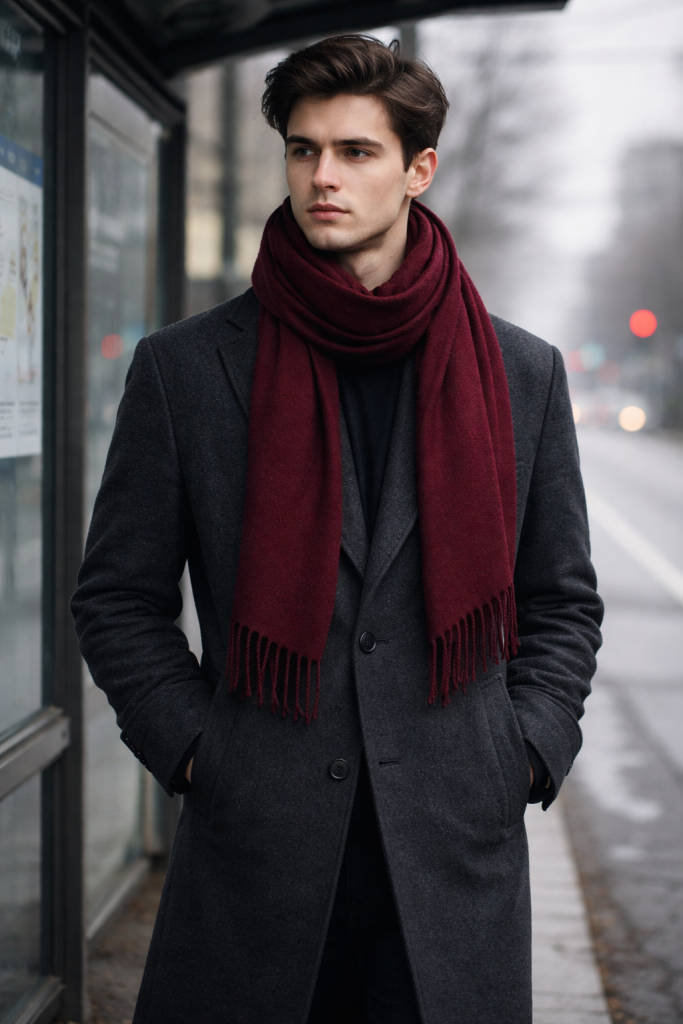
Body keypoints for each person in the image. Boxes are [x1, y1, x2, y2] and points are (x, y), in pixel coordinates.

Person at [72, 34, 603, 1024]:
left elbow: (559, 599)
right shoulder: (187, 369)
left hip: (449, 853)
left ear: (416, 169)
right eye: (303, 149)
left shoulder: (518, 374)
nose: (322, 176)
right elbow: (116, 597)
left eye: (355, 151)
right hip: (255, 848)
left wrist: (523, 747)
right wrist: (197, 749)